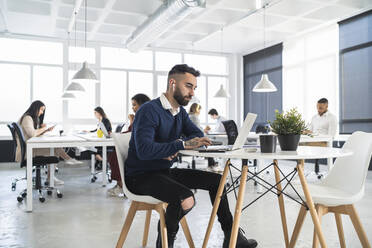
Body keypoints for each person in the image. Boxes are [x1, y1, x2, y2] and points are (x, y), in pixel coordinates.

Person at [125, 64, 257, 248]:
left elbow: (197, 134)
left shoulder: (180, 113)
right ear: (172, 83)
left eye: (194, 88)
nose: (192, 93)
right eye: (188, 86)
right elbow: (144, 150)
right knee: (185, 199)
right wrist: (178, 145)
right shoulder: (149, 110)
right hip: (139, 177)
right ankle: (164, 243)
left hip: (162, 172)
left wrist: (172, 146)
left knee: (217, 182)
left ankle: (232, 237)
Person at [16, 100, 82, 185]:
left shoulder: (29, 118)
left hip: (28, 148)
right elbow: (32, 134)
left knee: (54, 148)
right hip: (26, 151)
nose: (42, 112)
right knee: (54, 150)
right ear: (35, 108)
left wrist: (45, 130)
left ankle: (66, 161)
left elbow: (33, 133)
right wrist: (44, 128)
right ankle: (53, 176)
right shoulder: (27, 118)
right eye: (41, 110)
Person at [107, 93, 151, 197]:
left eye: (134, 105)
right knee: (115, 155)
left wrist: (131, 121)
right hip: (138, 146)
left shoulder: (144, 117)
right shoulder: (142, 116)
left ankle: (121, 186)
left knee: (116, 156)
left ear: (142, 104)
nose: (133, 108)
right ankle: (121, 185)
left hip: (142, 148)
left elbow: (132, 133)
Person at [188, 103, 222, 172]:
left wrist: (203, 130)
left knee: (209, 142)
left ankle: (212, 163)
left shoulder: (189, 116)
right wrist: (204, 131)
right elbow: (199, 131)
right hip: (195, 139)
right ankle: (212, 164)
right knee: (210, 143)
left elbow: (196, 129)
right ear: (197, 109)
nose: (200, 112)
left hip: (191, 138)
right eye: (199, 110)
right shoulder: (194, 117)